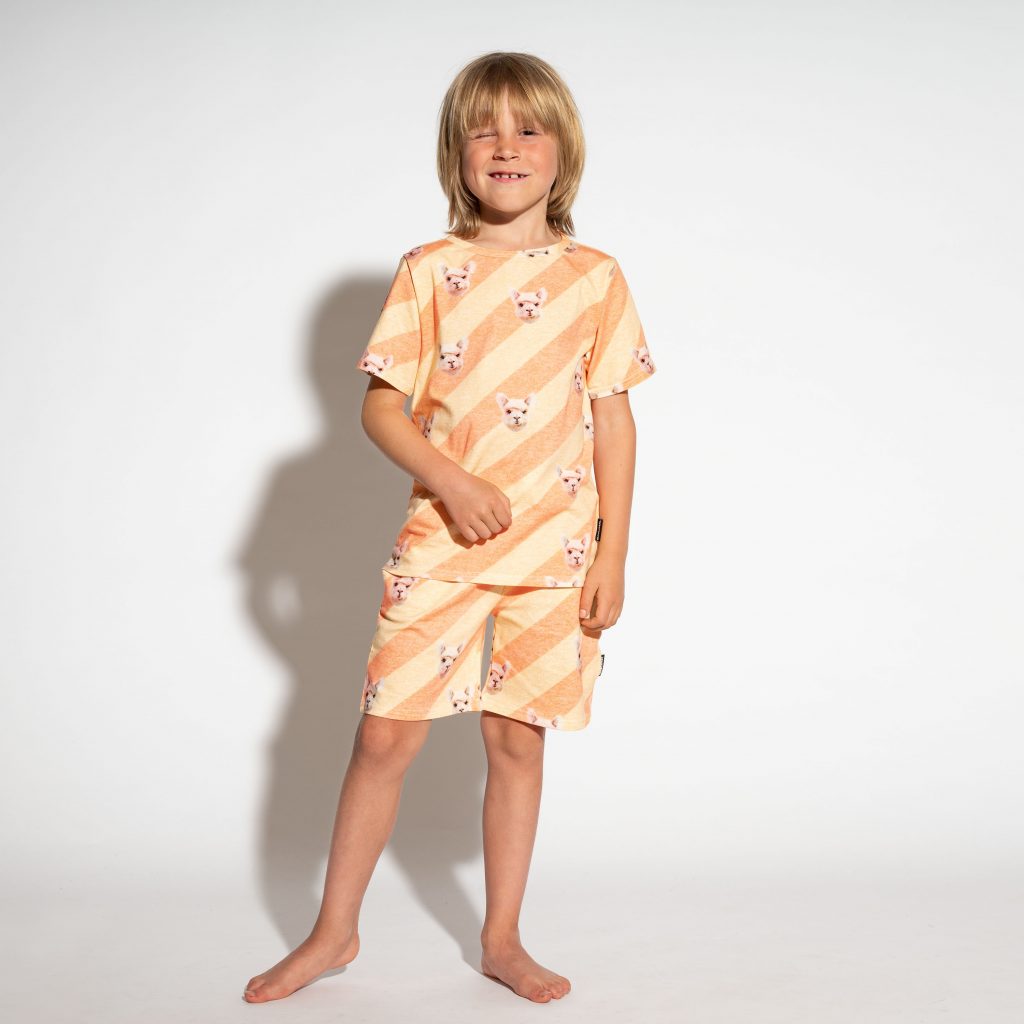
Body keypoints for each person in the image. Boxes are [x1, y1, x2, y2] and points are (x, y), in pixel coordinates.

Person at [243, 50, 657, 1005]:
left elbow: (615, 421)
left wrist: (614, 554)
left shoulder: (596, 279)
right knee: (384, 741)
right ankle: (333, 933)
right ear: (456, 154)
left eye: (528, 129)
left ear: (563, 151)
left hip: (554, 556)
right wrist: (452, 481)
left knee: (518, 744)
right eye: (484, 130)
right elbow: (381, 408)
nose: (506, 147)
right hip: (443, 549)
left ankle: (502, 938)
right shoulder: (429, 271)